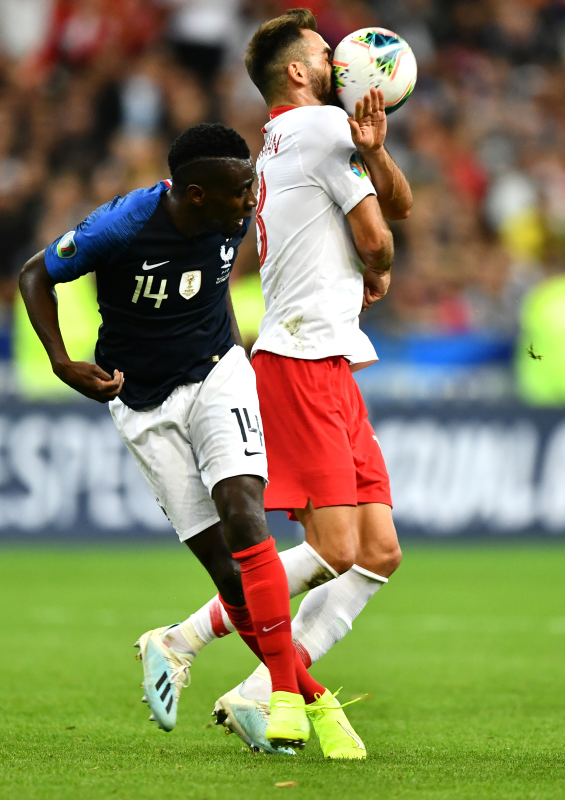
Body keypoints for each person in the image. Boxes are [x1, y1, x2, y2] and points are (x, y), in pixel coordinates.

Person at [18, 121, 368, 755]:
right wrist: (61, 361)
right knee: (229, 577)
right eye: (240, 191)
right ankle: (305, 694)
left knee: (245, 514)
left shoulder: (231, 212)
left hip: (216, 374)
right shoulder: (123, 225)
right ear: (197, 193)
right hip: (141, 402)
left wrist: (235, 351)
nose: (250, 200)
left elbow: (215, 284)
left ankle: (288, 701)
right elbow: (34, 275)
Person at [155, 10, 412, 759]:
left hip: (326, 356)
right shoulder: (323, 127)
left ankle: (255, 690)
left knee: (378, 550)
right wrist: (375, 265)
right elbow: (380, 237)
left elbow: (393, 204)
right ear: (297, 71)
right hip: (301, 361)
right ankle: (184, 638)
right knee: (335, 547)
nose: (341, 60)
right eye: (326, 52)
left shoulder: (285, 139)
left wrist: (375, 153)